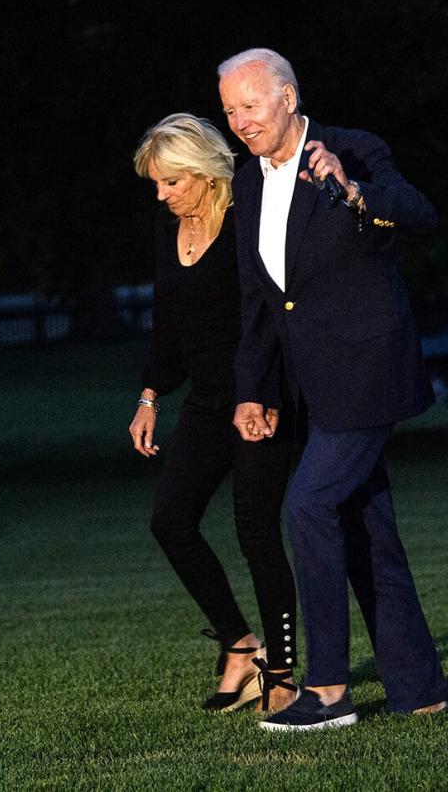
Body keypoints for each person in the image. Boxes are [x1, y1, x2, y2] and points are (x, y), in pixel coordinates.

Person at [216, 48, 448, 731]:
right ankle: (419, 690)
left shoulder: (354, 148)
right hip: (314, 386)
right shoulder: (248, 181)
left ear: (287, 97)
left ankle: (327, 689)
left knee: (309, 504)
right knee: (367, 528)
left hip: (371, 371)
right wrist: (251, 389)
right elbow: (259, 298)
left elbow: (418, 212)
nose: (240, 121)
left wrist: (354, 192)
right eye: (229, 110)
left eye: (250, 106)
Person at [129, 113, 298, 714]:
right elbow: (168, 321)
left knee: (256, 532)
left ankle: (279, 674)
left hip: (258, 397)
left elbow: (275, 313)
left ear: (202, 173)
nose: (161, 194)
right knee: (170, 521)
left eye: (171, 182)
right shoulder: (167, 225)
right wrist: (151, 395)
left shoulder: (246, 216)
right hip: (205, 401)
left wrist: (267, 394)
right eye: (156, 183)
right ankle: (238, 645)